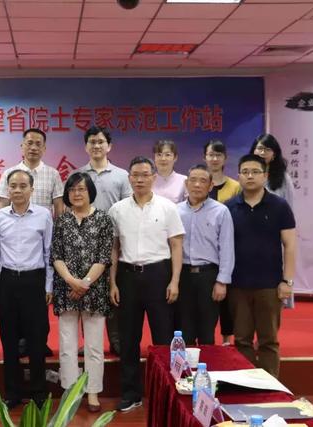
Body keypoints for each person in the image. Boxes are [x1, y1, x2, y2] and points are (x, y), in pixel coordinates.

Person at [108, 157, 184, 412]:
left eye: (144, 175)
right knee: (128, 338)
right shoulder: (117, 209)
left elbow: (176, 246)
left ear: (153, 177)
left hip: (158, 275)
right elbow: (114, 249)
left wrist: (174, 281)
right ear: (129, 178)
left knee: (163, 338)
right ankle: (131, 393)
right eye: (135, 175)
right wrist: (112, 283)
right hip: (127, 277)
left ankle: (165, 392)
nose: (139, 179)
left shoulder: (167, 207)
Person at [225, 154, 296, 378]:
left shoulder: (279, 206)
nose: (250, 176)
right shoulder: (229, 208)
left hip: (270, 285)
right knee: (242, 339)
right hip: (237, 285)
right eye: (245, 172)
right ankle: (245, 385)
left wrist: (287, 281)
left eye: (255, 172)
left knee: (268, 340)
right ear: (239, 176)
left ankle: (269, 387)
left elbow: (290, 245)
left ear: (265, 176)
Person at [0, 169, 53, 410]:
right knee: (9, 340)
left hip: (34, 281)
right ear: (7, 189)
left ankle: (38, 392)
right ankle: (13, 392)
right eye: (13, 186)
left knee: (37, 340)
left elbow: (48, 252)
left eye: (23, 186)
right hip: (7, 282)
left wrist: (48, 285)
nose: (17, 190)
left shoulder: (43, 215)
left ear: (31, 189)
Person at [52, 172, 114, 413]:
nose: (76, 194)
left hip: (94, 291)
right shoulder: (62, 221)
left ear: (90, 192)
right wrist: (71, 281)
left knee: (94, 346)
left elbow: (104, 257)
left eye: (81, 189)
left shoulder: (104, 219)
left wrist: (85, 283)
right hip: (66, 290)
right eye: (72, 190)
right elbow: (56, 256)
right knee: (67, 345)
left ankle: (93, 392)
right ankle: (70, 392)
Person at [78, 126, 131, 356]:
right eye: (92, 142)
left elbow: (128, 208)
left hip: (114, 243)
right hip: (86, 243)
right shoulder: (79, 175)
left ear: (109, 146)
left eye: (101, 142)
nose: (96, 146)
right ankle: (89, 342)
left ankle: (116, 339)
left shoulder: (122, 176)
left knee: (113, 289)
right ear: (86, 146)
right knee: (87, 290)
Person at [177, 164, 234, 345]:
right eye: (193, 180)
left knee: (206, 332)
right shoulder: (175, 211)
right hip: (182, 276)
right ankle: (185, 364)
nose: (197, 185)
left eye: (203, 181)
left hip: (208, 277)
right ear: (186, 183)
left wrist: (222, 282)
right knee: (183, 330)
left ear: (210, 186)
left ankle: (205, 364)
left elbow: (227, 248)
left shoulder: (221, 211)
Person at [203, 139, 241, 346]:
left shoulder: (235, 186)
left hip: (227, 246)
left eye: (218, 155)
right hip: (204, 249)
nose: (214, 159)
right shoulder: (198, 183)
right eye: (211, 154)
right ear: (205, 157)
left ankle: (227, 338)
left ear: (225, 158)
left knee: (226, 297)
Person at [0, 128, 64, 216]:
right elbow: (3, 205)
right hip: (15, 223)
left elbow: (59, 206)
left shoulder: (53, 174)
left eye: (38, 144)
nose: (33, 148)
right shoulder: (9, 173)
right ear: (22, 146)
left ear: (44, 149)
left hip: (43, 224)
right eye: (29, 143)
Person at [250, 133, 294, 210]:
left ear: (274, 155)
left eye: (267, 149)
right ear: (253, 151)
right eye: (260, 148)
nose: (263, 152)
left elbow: (289, 207)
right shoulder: (247, 175)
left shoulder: (283, 178)